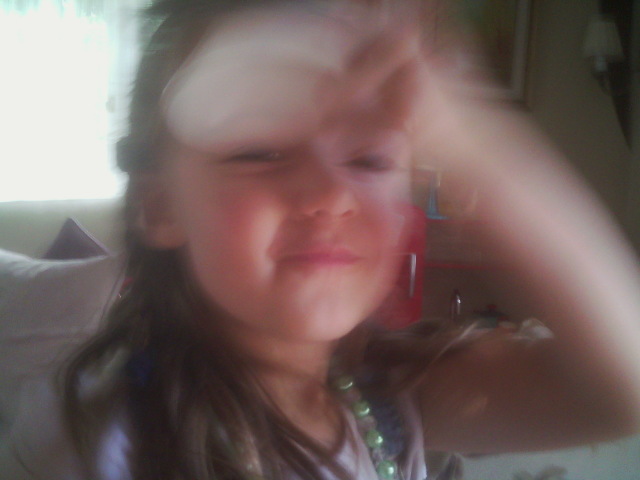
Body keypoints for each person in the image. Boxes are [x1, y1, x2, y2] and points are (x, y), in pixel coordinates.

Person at [5, 0, 640, 478]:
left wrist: (471, 141)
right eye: (259, 150)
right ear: (161, 205)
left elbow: (625, 384)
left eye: (368, 159)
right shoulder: (95, 438)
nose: (331, 194)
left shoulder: (397, 399)